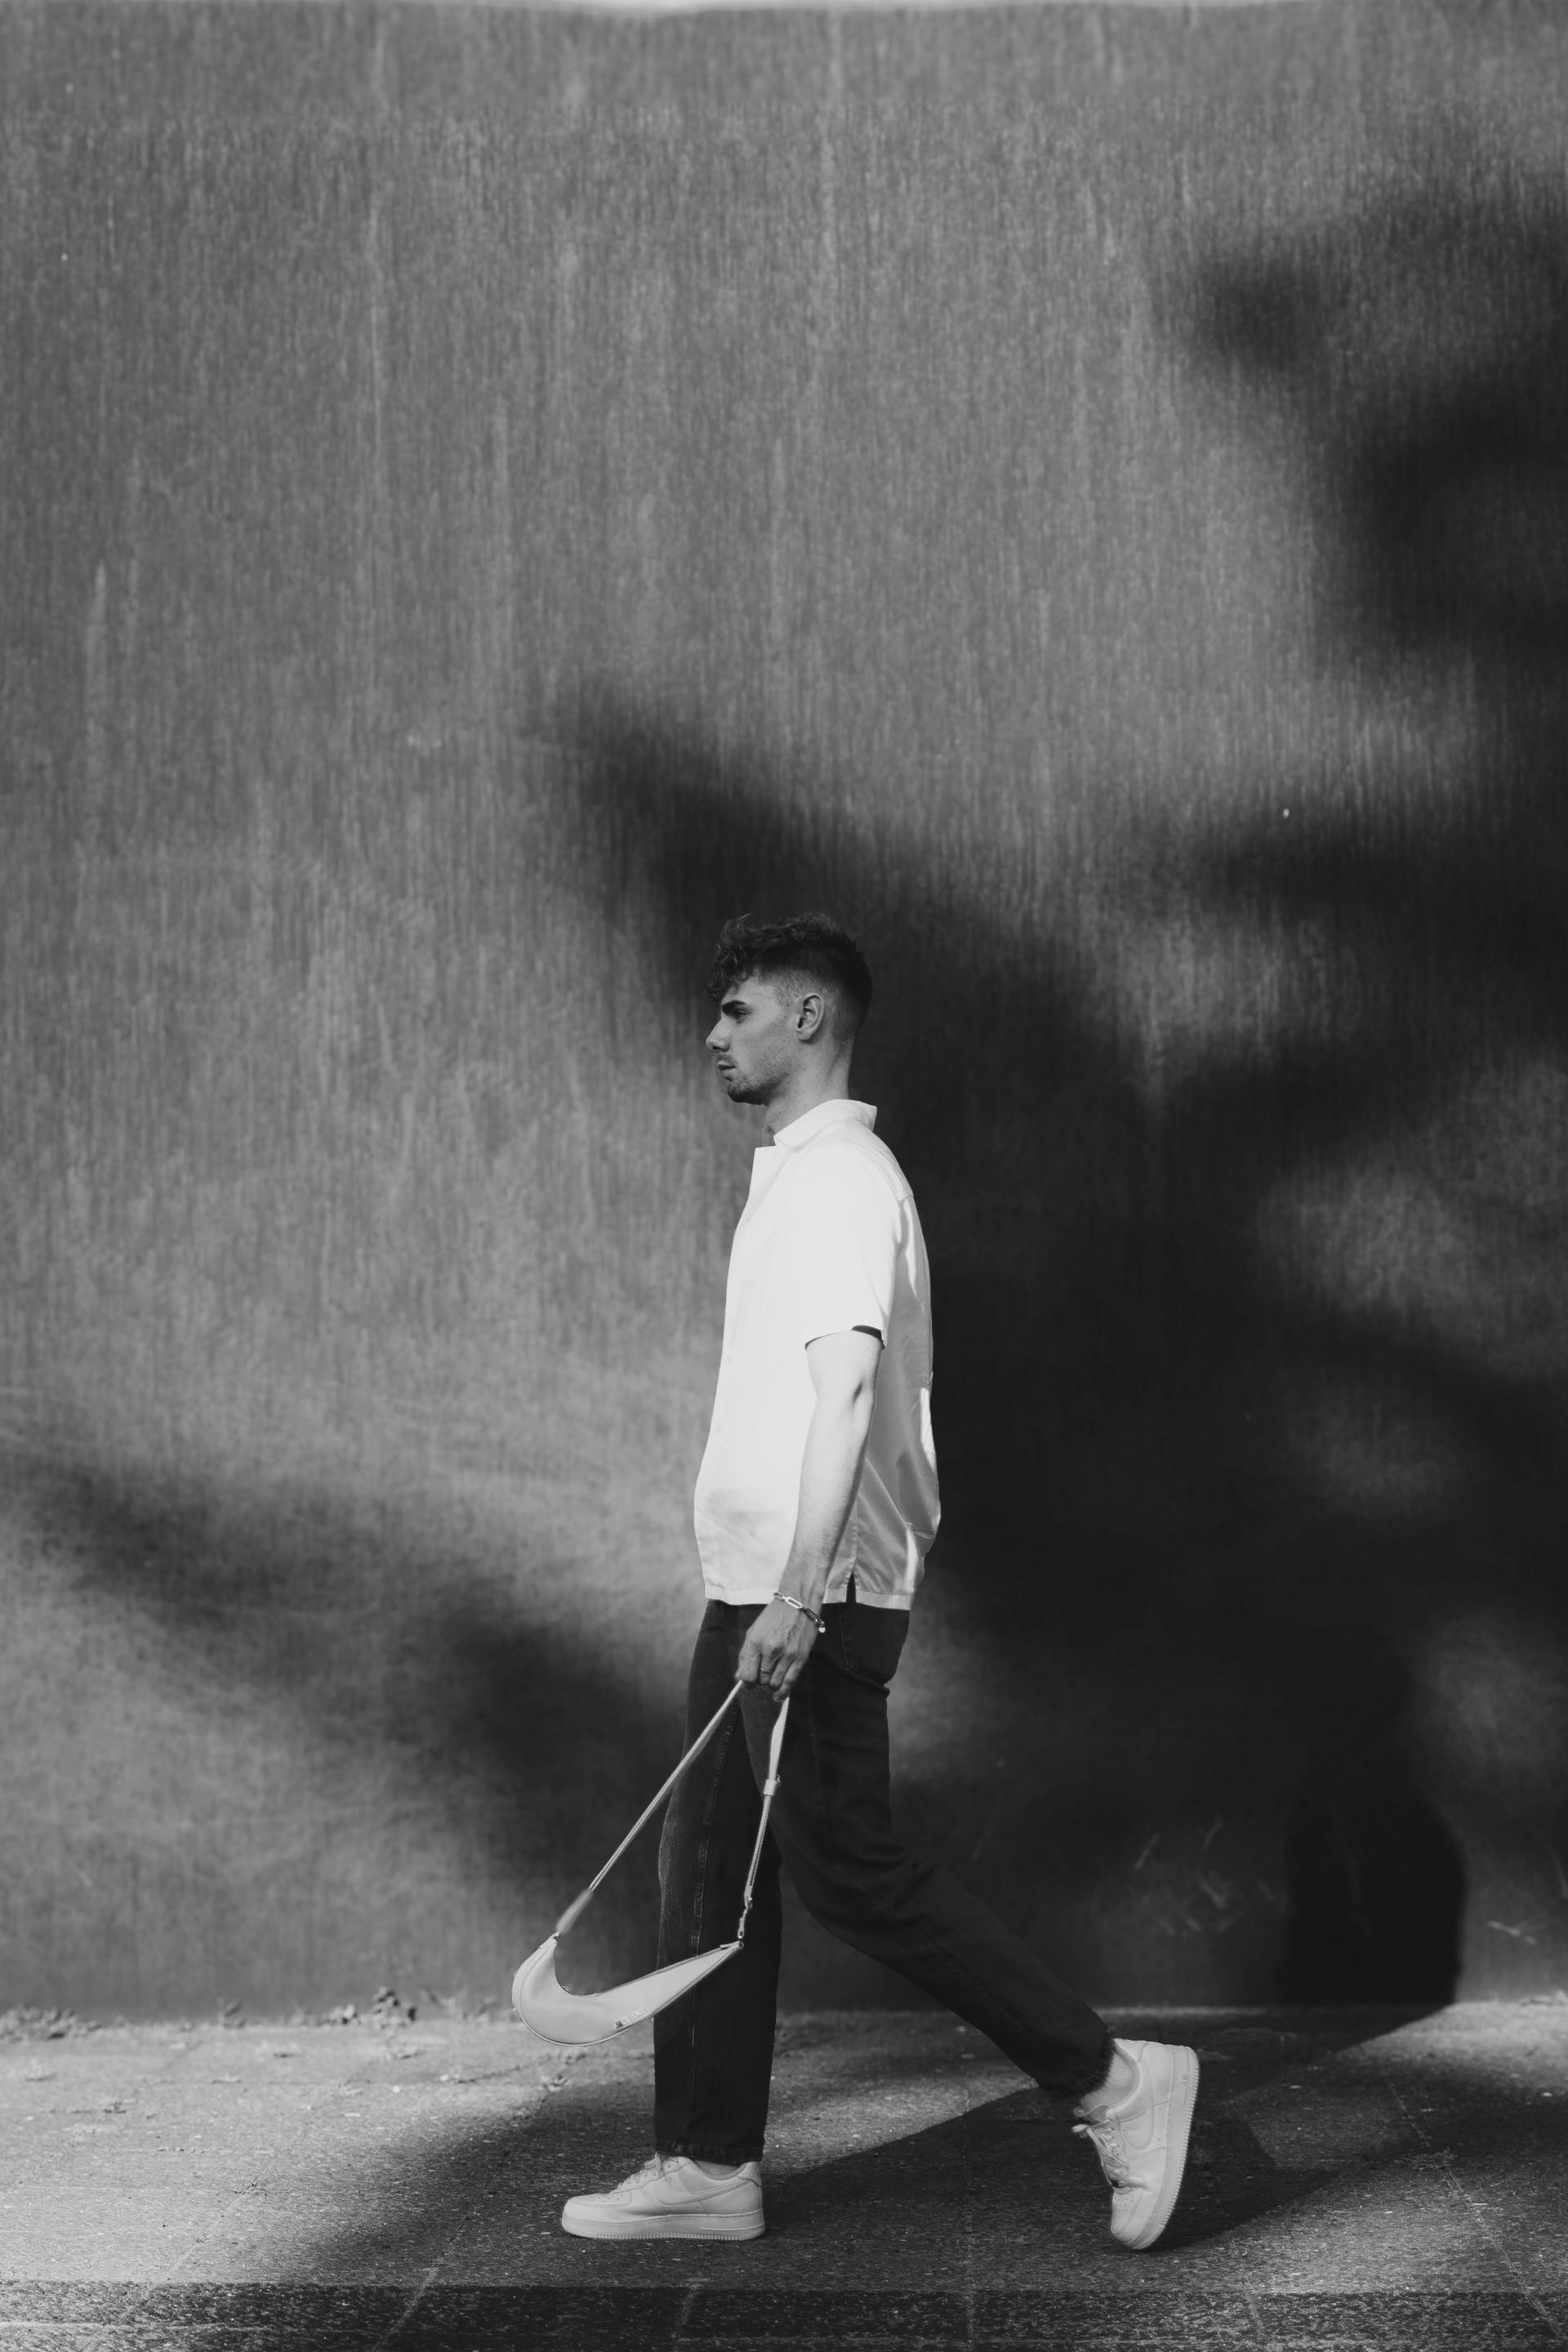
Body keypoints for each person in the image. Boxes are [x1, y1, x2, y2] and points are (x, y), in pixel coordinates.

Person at [561, 913, 1197, 2252]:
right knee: (709, 1872)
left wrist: (800, 1596)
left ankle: (1114, 2082)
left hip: (812, 1593)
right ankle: (707, 2162)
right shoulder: (801, 1176)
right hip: (763, 1584)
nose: (713, 1034)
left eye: (737, 1009)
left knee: (849, 1870)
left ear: (808, 1017)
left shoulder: (842, 1181)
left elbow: (845, 1391)